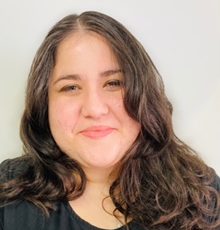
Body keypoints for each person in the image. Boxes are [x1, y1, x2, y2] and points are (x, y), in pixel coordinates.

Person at [0, 11, 219, 230]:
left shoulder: (203, 196)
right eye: (71, 87)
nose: (95, 109)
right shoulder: (8, 193)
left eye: (113, 83)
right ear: (44, 103)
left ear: (142, 92)